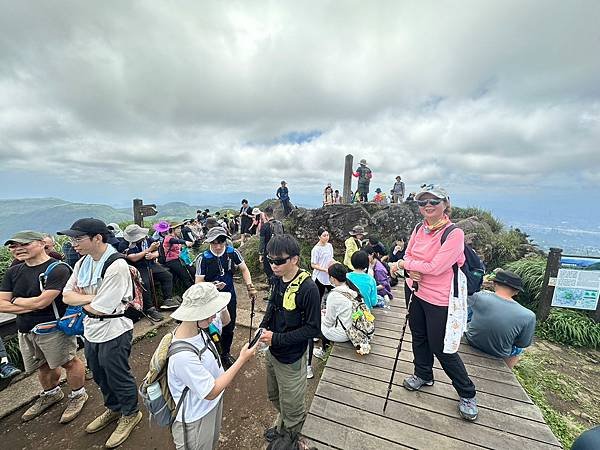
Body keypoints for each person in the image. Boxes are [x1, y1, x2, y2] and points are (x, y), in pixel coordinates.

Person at [390, 184, 478, 421]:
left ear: (445, 203)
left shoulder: (454, 234)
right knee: (418, 335)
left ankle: (467, 392)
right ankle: (423, 374)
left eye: (433, 201)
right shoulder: (420, 228)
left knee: (441, 346)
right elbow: (408, 255)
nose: (428, 206)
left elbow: (436, 267)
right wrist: (409, 268)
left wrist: (405, 267)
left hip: (439, 298)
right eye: (422, 202)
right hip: (414, 291)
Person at [60, 218, 142, 448]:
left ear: (97, 238)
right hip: (92, 329)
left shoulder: (116, 265)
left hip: (114, 329)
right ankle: (113, 409)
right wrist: (93, 297)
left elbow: (101, 307)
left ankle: (130, 413)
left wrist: (84, 299)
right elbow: (66, 295)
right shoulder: (83, 263)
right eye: (72, 238)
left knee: (117, 374)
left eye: (78, 238)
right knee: (98, 372)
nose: (73, 243)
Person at [0, 231, 87, 424]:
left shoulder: (57, 269)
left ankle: (78, 394)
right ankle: (51, 393)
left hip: (53, 327)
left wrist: (16, 300)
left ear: (41, 244)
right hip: (25, 329)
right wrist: (29, 302)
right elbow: (1, 303)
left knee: (69, 361)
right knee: (42, 365)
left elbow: (43, 302)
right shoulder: (13, 271)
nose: (17, 249)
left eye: (24, 244)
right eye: (13, 246)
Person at [167, 283, 257, 450]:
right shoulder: (183, 356)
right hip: (196, 417)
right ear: (195, 314)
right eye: (209, 312)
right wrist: (242, 359)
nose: (213, 315)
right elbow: (210, 391)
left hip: (210, 406)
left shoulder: (198, 330)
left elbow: (226, 320)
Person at [258, 234, 321, 441]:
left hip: (292, 358)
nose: (273, 265)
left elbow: (313, 329)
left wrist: (275, 338)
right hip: (273, 353)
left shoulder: (308, 288)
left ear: (294, 259)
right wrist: (263, 326)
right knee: (274, 395)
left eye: (278, 261)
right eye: (270, 260)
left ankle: (289, 437)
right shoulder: (278, 279)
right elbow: (273, 305)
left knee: (293, 407)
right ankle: (282, 424)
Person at [195, 227, 258, 369]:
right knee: (209, 326)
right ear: (209, 242)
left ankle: (225, 353)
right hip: (210, 298)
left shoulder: (232, 252)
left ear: (225, 240)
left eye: (221, 241)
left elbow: (244, 269)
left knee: (229, 326)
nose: (218, 246)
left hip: (229, 296)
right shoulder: (203, 258)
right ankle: (211, 354)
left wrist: (250, 286)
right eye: (214, 242)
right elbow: (198, 283)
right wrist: (212, 285)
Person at [465, 270, 536, 369]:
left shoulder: (478, 296)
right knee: (519, 349)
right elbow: (523, 343)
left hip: (472, 341)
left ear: (494, 284)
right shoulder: (529, 315)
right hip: (499, 352)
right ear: (516, 291)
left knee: (472, 313)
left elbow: (466, 317)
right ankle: (505, 370)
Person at [120, 224, 178, 319]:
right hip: (137, 267)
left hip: (150, 264)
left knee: (167, 276)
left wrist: (153, 255)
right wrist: (149, 250)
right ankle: (149, 309)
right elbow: (133, 258)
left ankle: (168, 299)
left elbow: (158, 251)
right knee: (144, 283)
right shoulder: (124, 244)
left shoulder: (148, 239)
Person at [313, 263, 354, 359]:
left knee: (317, 321)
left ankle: (323, 351)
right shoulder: (351, 289)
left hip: (343, 334)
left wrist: (322, 316)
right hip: (353, 328)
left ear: (333, 278)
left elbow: (328, 322)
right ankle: (323, 349)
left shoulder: (334, 295)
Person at [163, 222, 195, 290]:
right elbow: (175, 241)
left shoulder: (176, 237)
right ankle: (191, 291)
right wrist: (185, 242)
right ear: (172, 230)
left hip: (179, 258)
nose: (179, 230)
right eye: (177, 228)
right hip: (171, 260)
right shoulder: (168, 238)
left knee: (192, 270)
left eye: (180, 228)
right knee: (185, 276)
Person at [259, 206, 284, 294]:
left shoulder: (265, 226)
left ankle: (272, 292)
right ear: (273, 213)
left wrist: (261, 254)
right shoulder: (280, 224)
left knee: (269, 272)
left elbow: (262, 242)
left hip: (268, 254)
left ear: (265, 215)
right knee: (279, 272)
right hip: (280, 252)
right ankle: (280, 290)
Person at [310, 228, 334, 299]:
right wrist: (324, 269)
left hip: (329, 274)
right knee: (318, 296)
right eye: (324, 236)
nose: (327, 237)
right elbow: (313, 264)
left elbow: (330, 258)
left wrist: (335, 263)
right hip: (319, 276)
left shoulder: (329, 246)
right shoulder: (316, 249)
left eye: (327, 235)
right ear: (319, 237)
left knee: (333, 292)